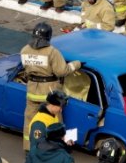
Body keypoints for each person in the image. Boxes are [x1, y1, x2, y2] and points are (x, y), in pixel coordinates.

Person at [20, 22, 82, 152]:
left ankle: (28, 148)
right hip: (49, 93)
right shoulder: (52, 52)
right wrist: (76, 64)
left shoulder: (24, 50)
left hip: (32, 91)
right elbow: (61, 71)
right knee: (54, 121)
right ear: (48, 37)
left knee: (30, 121)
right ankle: (55, 148)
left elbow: (25, 69)